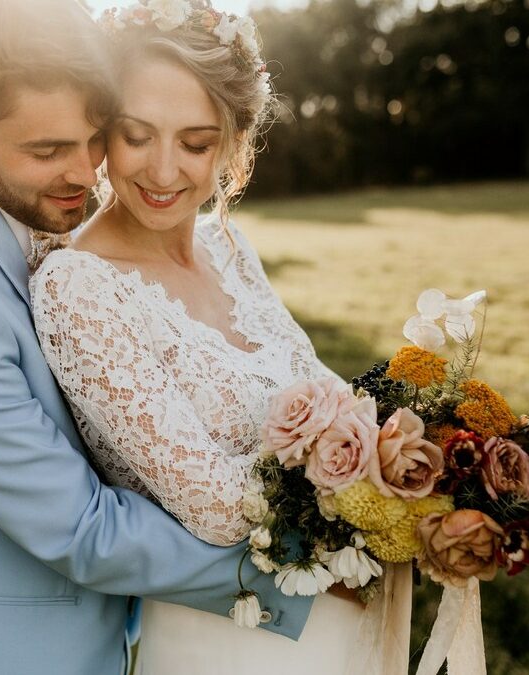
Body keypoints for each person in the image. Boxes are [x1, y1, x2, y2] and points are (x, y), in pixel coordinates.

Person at [0, 1, 323, 673]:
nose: (85, 173)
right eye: (48, 150)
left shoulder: (51, 219)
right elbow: (82, 529)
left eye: (94, 137)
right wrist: (309, 571)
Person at [29, 2, 414, 674]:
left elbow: (334, 400)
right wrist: (372, 498)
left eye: (196, 141)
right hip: (230, 643)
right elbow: (211, 504)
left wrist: (430, 467)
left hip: (339, 622)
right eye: (137, 134)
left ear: (235, 142)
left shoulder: (230, 251)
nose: (164, 168)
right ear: (102, 132)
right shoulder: (77, 286)